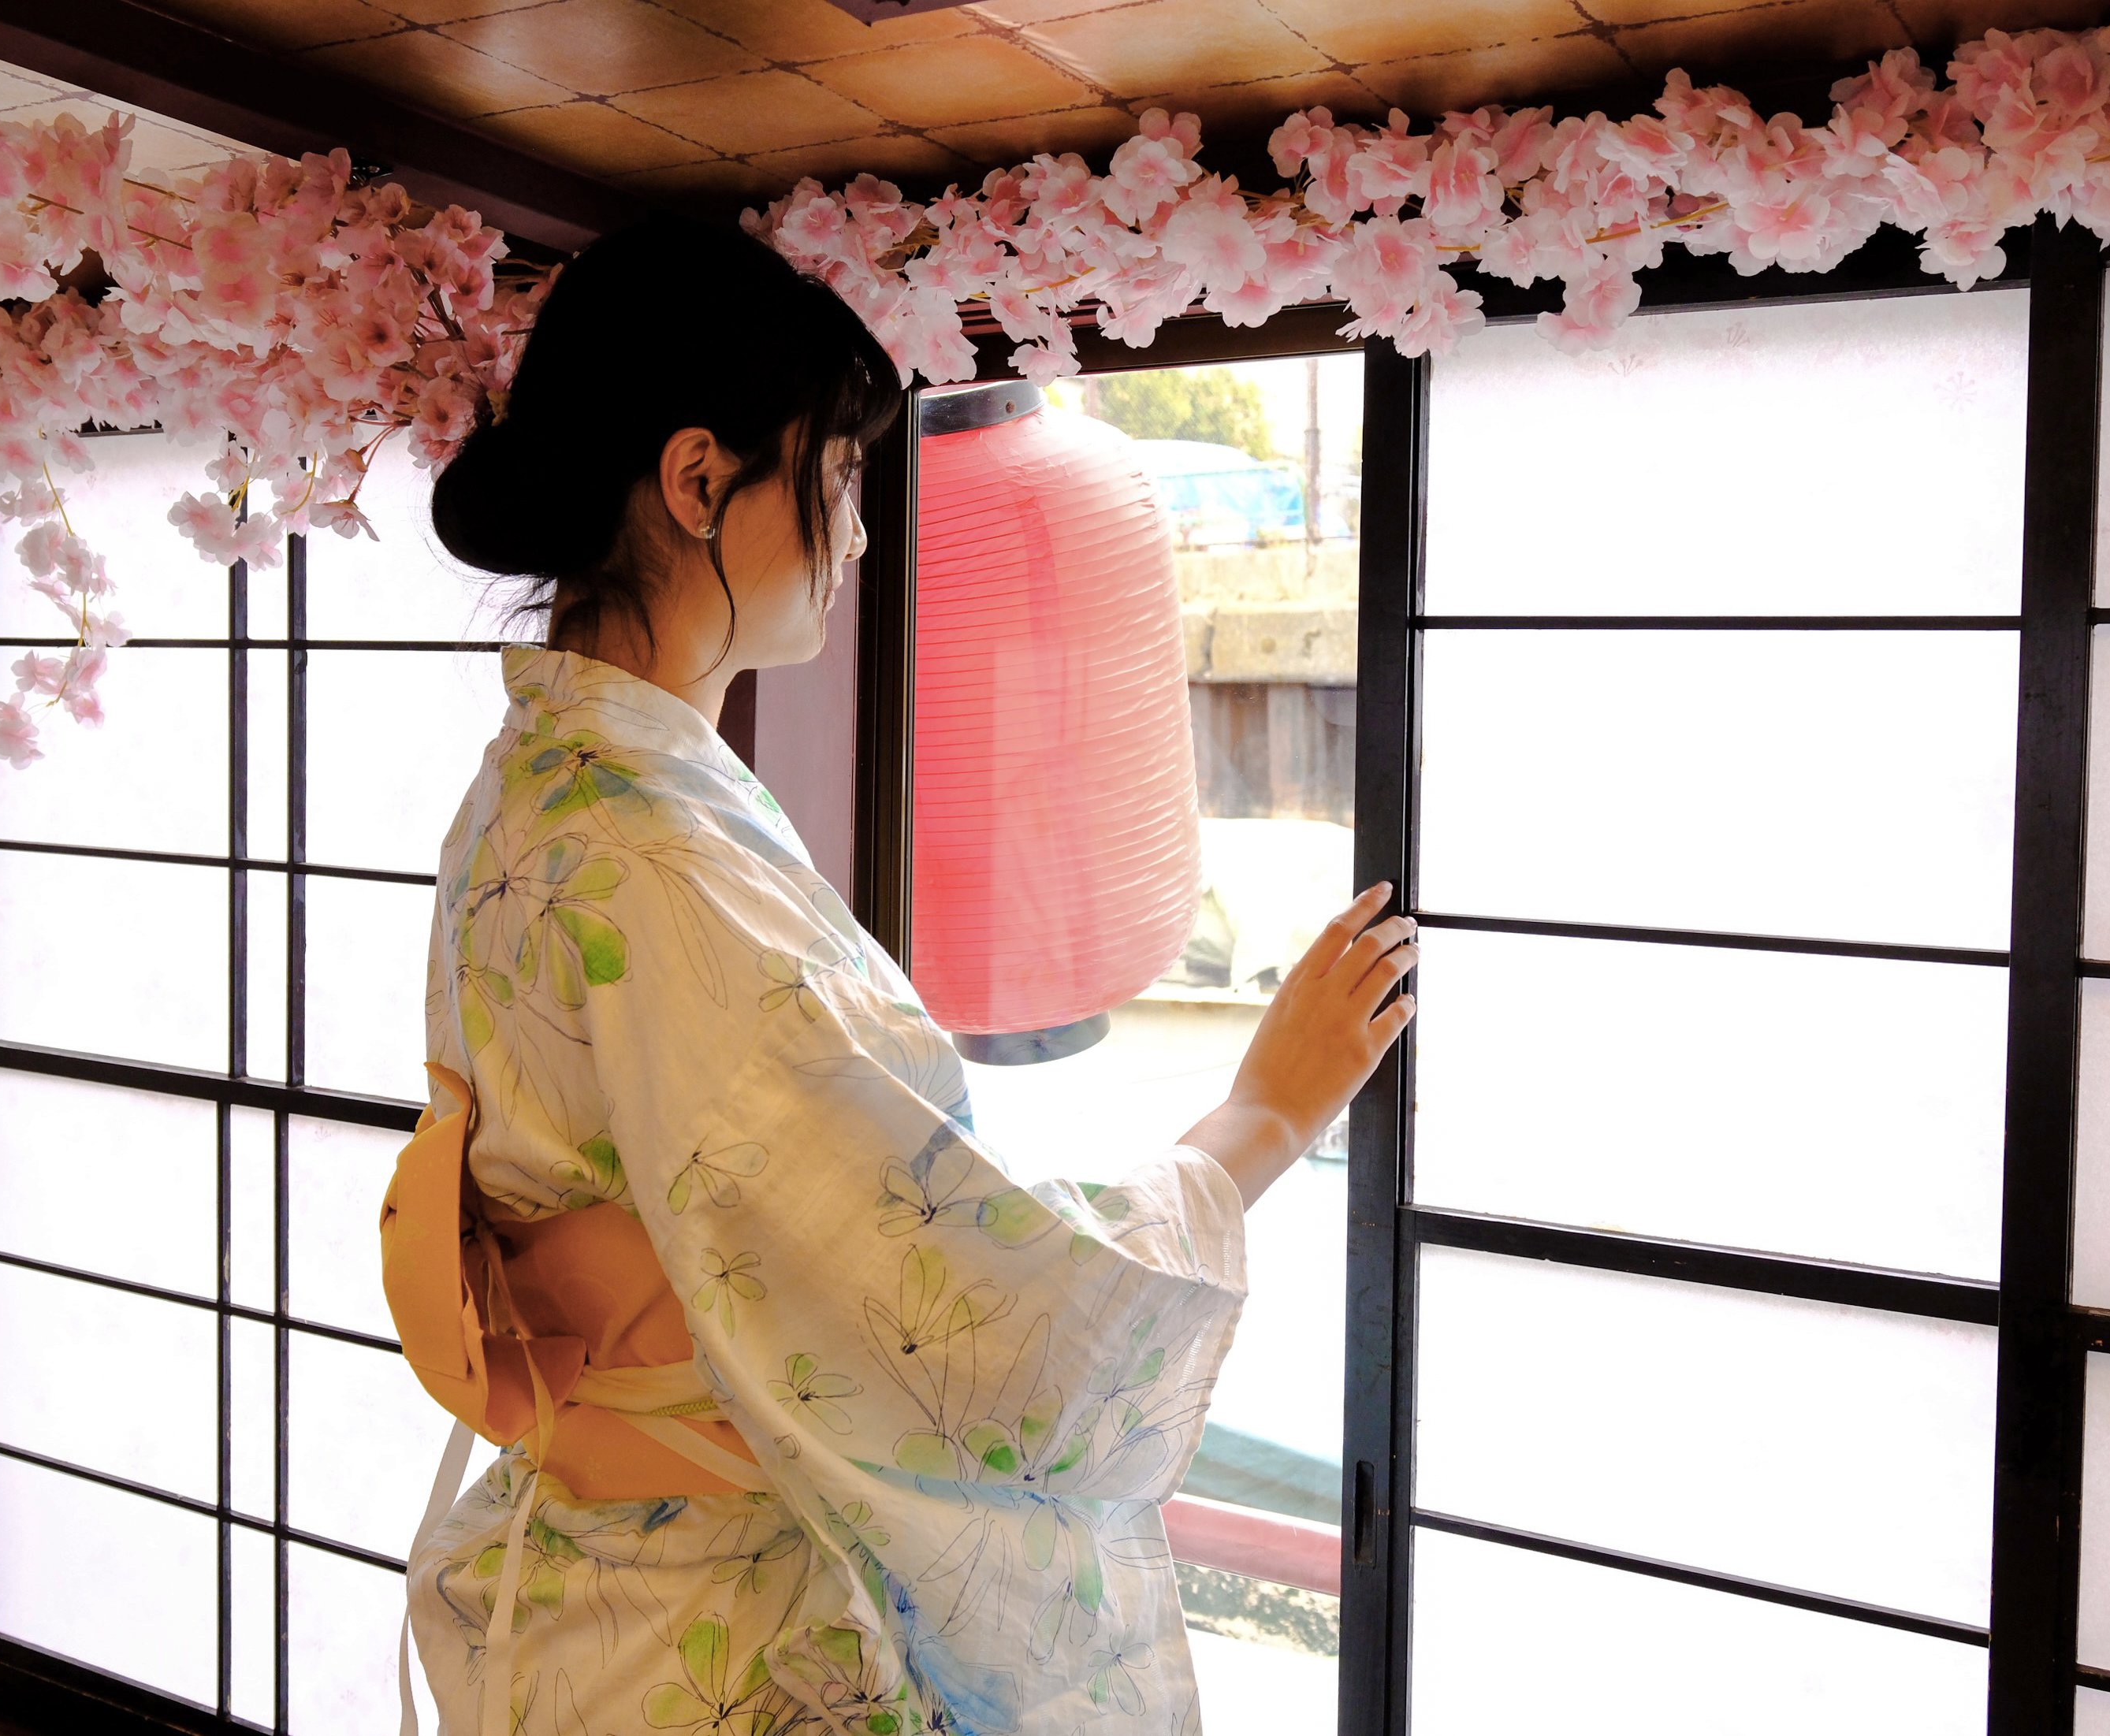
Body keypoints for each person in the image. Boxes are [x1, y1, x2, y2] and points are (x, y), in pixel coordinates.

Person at [401, 214, 1416, 1736]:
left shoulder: (539, 786)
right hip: (707, 1631)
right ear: (698, 483)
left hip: (594, 1596)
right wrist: (1258, 1123)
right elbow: (954, 1286)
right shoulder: (662, 865)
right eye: (835, 477)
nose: (859, 532)